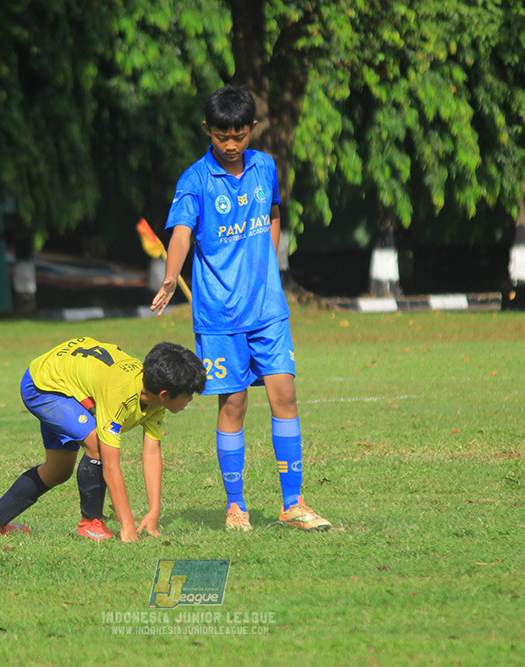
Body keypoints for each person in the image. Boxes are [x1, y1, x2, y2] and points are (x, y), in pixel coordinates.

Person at [150, 84, 331, 531]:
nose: (230, 146)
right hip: (219, 315)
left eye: (239, 136)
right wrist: (172, 276)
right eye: (221, 137)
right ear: (207, 130)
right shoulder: (194, 180)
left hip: (267, 308)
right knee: (232, 405)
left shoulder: (265, 166)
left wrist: (268, 262)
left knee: (284, 397)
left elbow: (273, 213)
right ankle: (236, 506)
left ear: (252, 128)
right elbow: (180, 234)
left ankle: (294, 504)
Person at [0, 336, 206, 542]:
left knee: (57, 471)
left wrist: (154, 511)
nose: (190, 401)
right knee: (97, 446)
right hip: (44, 386)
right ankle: (91, 525)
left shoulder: (154, 397)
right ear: (165, 395)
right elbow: (111, 466)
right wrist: (127, 524)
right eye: (188, 395)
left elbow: (152, 452)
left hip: (67, 383)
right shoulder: (120, 394)